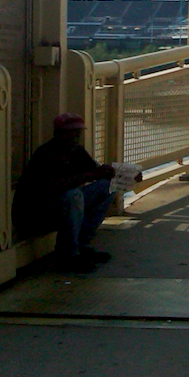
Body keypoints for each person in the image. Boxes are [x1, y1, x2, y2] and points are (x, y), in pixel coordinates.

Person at [12, 112, 125, 273]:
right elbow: (53, 188)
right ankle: (67, 254)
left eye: (77, 133)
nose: (75, 137)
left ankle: (81, 244)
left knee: (108, 187)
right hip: (35, 213)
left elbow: (97, 171)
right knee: (73, 196)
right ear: (58, 134)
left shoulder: (77, 151)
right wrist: (90, 175)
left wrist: (123, 175)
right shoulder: (45, 154)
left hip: (59, 207)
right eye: (71, 133)